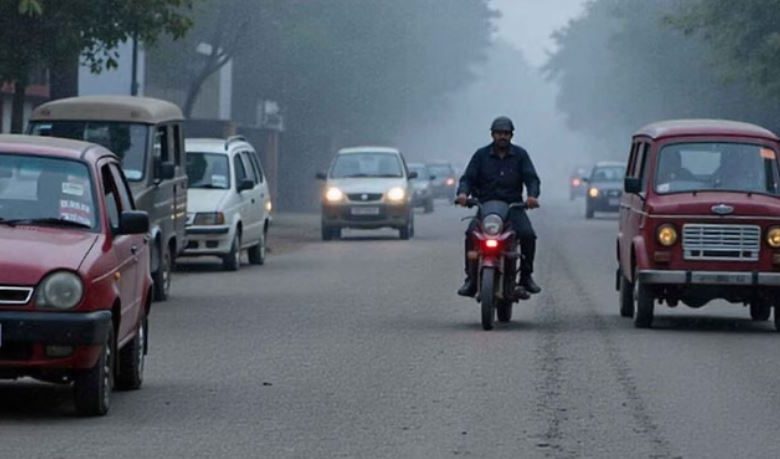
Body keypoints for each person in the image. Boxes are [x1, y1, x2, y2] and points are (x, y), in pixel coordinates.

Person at [456, 116, 541, 297]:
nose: (502, 136)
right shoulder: (480, 156)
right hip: (486, 208)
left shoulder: (520, 155)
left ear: (511, 135)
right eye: (499, 133)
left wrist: (532, 196)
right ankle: (471, 278)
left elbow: (531, 179)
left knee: (528, 235)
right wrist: (463, 194)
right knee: (470, 234)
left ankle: (526, 276)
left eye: (506, 133)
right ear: (492, 135)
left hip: (513, 208)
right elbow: (468, 178)